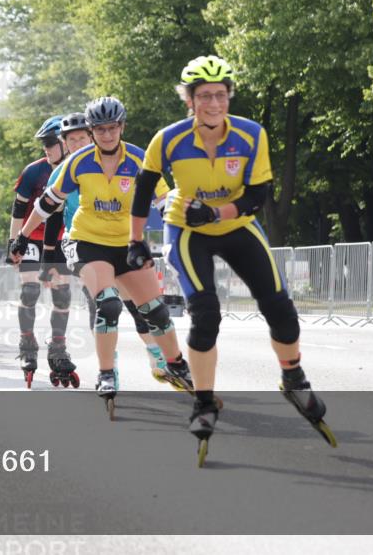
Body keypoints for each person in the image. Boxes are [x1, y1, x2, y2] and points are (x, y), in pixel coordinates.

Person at [129, 55, 335, 463]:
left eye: (220, 95)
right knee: (206, 313)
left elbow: (257, 196)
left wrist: (217, 212)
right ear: (189, 100)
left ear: (229, 97)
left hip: (236, 225)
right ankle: (204, 402)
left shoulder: (251, 134)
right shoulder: (167, 139)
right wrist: (136, 240)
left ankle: (292, 376)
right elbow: (143, 187)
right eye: (203, 95)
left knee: (279, 306)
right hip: (188, 232)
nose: (213, 103)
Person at [11, 97, 190, 417]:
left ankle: (173, 363)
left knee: (154, 311)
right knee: (107, 303)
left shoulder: (140, 158)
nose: (106, 135)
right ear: (91, 132)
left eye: (112, 128)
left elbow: (164, 201)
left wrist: (180, 231)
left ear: (121, 127)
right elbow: (47, 207)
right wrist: (23, 237)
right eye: (99, 130)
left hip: (127, 243)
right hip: (85, 241)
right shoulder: (76, 164)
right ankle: (108, 373)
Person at [6, 116, 72, 387]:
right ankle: (27, 343)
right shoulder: (34, 171)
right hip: (31, 238)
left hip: (59, 240)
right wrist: (14, 243)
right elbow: (19, 210)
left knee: (62, 294)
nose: (45, 147)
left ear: (64, 143)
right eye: (43, 143)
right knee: (30, 290)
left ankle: (58, 346)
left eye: (49, 142)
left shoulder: (79, 169)